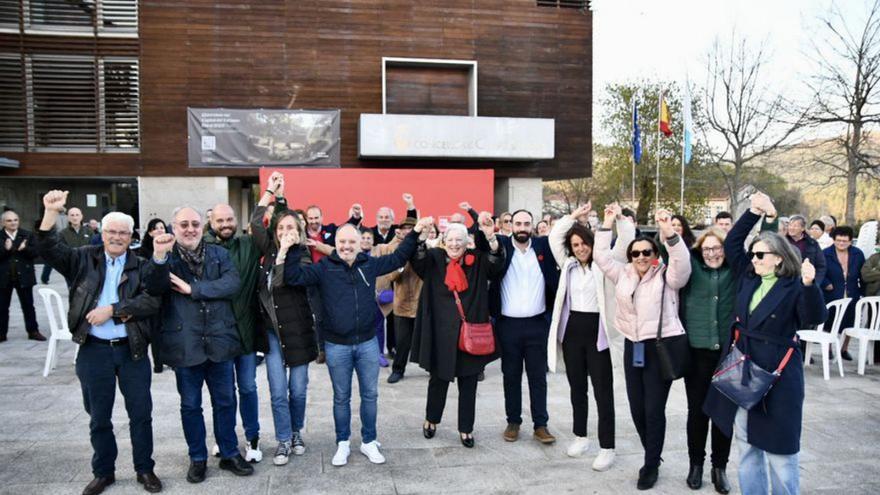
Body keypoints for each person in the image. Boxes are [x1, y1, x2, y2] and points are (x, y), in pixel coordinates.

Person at [36, 191, 162, 495]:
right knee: (99, 417)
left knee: (141, 414)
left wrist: (114, 311)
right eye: (111, 231)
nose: (117, 237)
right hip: (93, 352)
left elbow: (152, 302)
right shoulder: (82, 258)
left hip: (131, 350)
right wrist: (51, 213)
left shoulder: (142, 264)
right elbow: (48, 248)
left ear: (130, 235)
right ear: (102, 233)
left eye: (123, 232)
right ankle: (103, 472)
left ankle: (145, 469)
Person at [704, 192, 827, 495]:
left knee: (782, 453)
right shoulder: (750, 277)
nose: (755, 259)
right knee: (747, 446)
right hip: (746, 369)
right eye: (754, 254)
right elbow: (733, 244)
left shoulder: (794, 284)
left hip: (779, 377)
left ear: (779, 258)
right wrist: (753, 212)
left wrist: (810, 286)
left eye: (761, 255)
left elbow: (813, 317)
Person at [283, 217, 431, 467]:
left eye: (352, 241)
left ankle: (369, 441)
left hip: (367, 344)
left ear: (360, 243)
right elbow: (293, 277)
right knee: (341, 397)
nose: (347, 246)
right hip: (336, 345)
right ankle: (342, 442)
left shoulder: (369, 265)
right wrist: (291, 248)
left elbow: (397, 258)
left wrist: (415, 233)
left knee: (370, 394)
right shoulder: (324, 268)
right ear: (336, 244)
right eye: (342, 242)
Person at [145, 207, 253, 483]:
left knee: (226, 401)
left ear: (202, 225)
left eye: (195, 223)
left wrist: (194, 289)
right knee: (191, 405)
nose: (190, 229)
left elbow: (232, 283)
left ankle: (229, 453)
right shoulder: (165, 257)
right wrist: (158, 257)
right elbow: (154, 288)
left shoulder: (219, 253)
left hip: (220, 341)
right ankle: (197, 458)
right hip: (185, 345)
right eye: (184, 224)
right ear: (173, 227)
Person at [594, 204, 692, 490]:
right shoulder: (622, 274)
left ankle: (650, 463)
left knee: (653, 410)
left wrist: (669, 232)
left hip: (659, 347)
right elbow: (601, 256)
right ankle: (653, 453)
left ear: (655, 256)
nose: (640, 256)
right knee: (637, 408)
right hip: (632, 346)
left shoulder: (667, 276)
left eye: (646, 252)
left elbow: (682, 265)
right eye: (635, 253)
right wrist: (607, 222)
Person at [547, 203, 632, 470]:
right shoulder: (568, 264)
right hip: (572, 332)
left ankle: (607, 447)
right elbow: (553, 237)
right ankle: (580, 436)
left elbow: (627, 241)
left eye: (584, 243)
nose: (580, 248)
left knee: (602, 391)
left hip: (599, 333)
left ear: (592, 243)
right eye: (575, 244)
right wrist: (573, 217)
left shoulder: (604, 263)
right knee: (577, 389)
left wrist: (617, 218)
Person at [411, 214, 503, 447]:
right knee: (438, 381)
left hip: (470, 334)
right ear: (443, 241)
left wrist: (490, 236)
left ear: (466, 242)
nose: (454, 245)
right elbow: (417, 260)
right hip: (441, 334)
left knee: (469, 383)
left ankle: (466, 429)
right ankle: (431, 419)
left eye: (459, 240)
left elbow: (496, 263)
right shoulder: (434, 259)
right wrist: (421, 236)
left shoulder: (476, 260)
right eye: (450, 240)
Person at [250, 187, 318, 466]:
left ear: (299, 230)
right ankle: (282, 439)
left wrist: (285, 253)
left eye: (291, 226)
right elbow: (255, 223)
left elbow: (284, 281)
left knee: (298, 390)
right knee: (278, 390)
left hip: (298, 332)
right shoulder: (267, 250)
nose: (285, 231)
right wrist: (269, 193)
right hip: (273, 334)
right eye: (281, 227)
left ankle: (296, 431)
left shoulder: (301, 254)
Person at [203, 196, 268, 463]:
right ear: (211, 222)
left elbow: (264, 233)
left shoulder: (248, 245)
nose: (226, 224)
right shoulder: (203, 248)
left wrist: (271, 197)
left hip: (246, 332)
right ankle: (223, 438)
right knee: (223, 393)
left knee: (248, 388)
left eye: (230, 219)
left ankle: (253, 439)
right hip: (218, 334)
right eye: (220, 220)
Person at [490, 209, 560, 445]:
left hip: (537, 324)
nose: (521, 227)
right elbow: (484, 241)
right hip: (508, 325)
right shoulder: (502, 246)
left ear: (532, 226)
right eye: (517, 223)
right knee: (510, 375)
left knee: (538, 377)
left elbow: (561, 236)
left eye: (526, 223)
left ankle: (541, 425)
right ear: (509, 225)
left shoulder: (542, 247)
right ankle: (513, 421)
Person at [679, 227, 734, 493]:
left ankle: (719, 467)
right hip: (697, 353)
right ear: (700, 252)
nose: (712, 253)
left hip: (727, 355)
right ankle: (696, 464)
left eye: (717, 248)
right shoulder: (693, 270)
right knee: (698, 412)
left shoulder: (735, 272)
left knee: (723, 415)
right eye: (707, 249)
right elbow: (674, 254)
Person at [373, 218, 422, 382]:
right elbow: (391, 275)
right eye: (405, 228)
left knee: (428, 339)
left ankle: (433, 368)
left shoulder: (424, 246)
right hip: (401, 303)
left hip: (421, 302)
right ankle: (398, 370)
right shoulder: (396, 250)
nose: (408, 230)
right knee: (402, 341)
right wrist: (401, 263)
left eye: (411, 227)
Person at [821, 226, 865, 361]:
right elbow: (819, 271)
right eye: (838, 240)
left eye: (845, 241)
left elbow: (862, 274)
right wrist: (825, 283)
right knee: (829, 322)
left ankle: (844, 349)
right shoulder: (825, 253)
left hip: (852, 292)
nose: (841, 243)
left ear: (851, 241)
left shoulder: (858, 254)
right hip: (831, 293)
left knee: (850, 322)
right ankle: (828, 348)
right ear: (833, 240)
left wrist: (863, 291)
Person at [0, 209, 44, 342]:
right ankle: (1, 333)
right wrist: (5, 250)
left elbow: (36, 253)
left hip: (24, 276)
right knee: (2, 307)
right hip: (4, 277)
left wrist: (24, 249)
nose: (13, 223)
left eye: (15, 220)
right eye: (9, 220)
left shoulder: (27, 235)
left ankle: (33, 331)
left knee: (28, 305)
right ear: (3, 222)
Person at [763, 214, 827, 288]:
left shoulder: (812, 243)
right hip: (784, 283)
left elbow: (821, 266)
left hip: (804, 283)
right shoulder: (782, 241)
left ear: (802, 228)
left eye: (795, 226)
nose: (791, 228)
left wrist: (816, 283)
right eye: (790, 225)